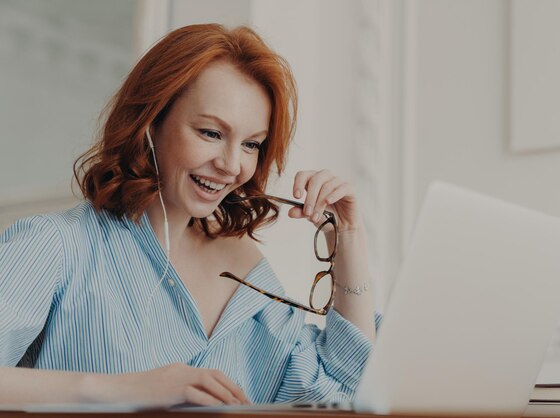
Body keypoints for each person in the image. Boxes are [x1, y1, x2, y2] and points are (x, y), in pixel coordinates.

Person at [0, 23, 378, 407]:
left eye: (251, 144)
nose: (232, 165)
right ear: (151, 122)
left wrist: (349, 237)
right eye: (211, 133)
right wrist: (121, 390)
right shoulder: (56, 246)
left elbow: (346, 396)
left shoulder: (251, 280)